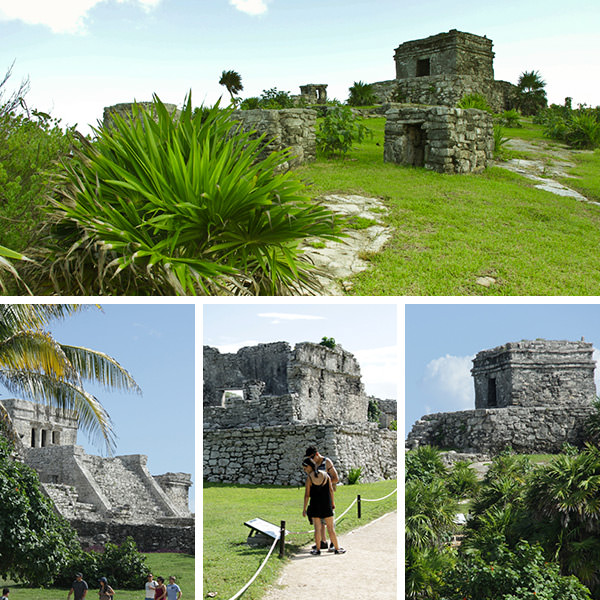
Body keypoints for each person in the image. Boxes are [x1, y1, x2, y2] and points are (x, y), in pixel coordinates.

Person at [302, 456, 346, 555]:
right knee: (331, 529)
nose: (305, 471)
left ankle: (317, 550)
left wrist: (304, 509)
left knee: (317, 529)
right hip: (326, 504)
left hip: (315, 505)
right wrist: (332, 503)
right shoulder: (326, 475)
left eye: (305, 468)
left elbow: (307, 495)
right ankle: (337, 548)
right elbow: (331, 490)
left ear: (309, 467)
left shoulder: (309, 478)